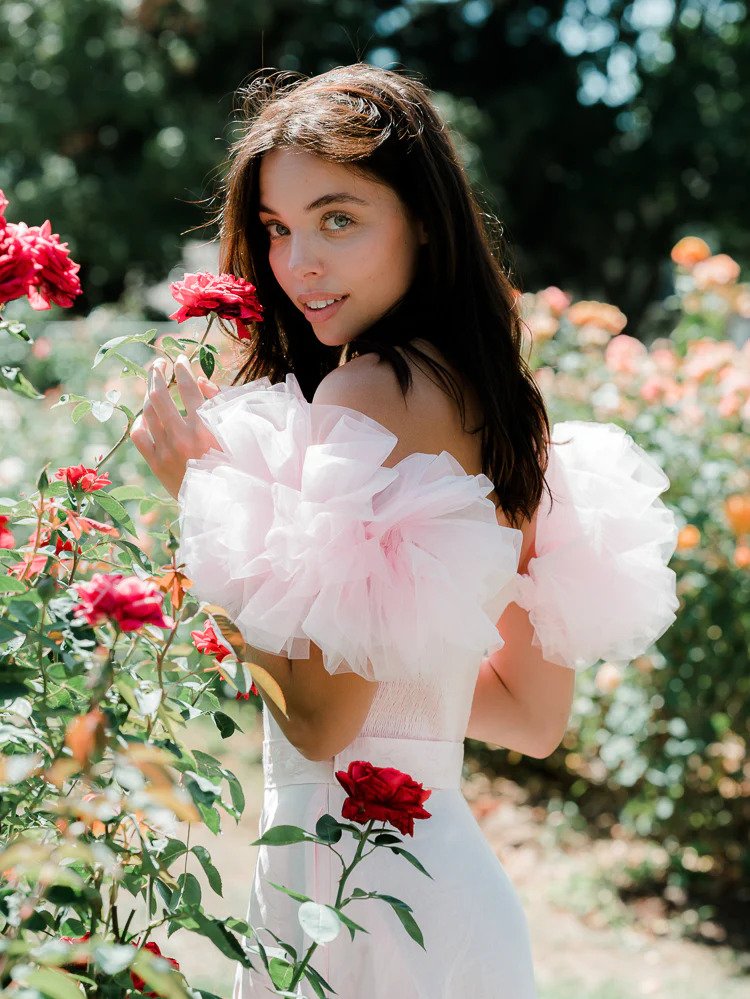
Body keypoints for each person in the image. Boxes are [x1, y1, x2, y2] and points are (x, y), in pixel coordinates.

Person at [132, 64, 679, 999]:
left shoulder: (369, 393)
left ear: (423, 216)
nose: (299, 262)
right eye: (277, 228)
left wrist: (205, 503)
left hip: (355, 901)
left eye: (338, 218)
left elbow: (316, 726)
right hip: (442, 906)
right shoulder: (506, 410)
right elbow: (529, 715)